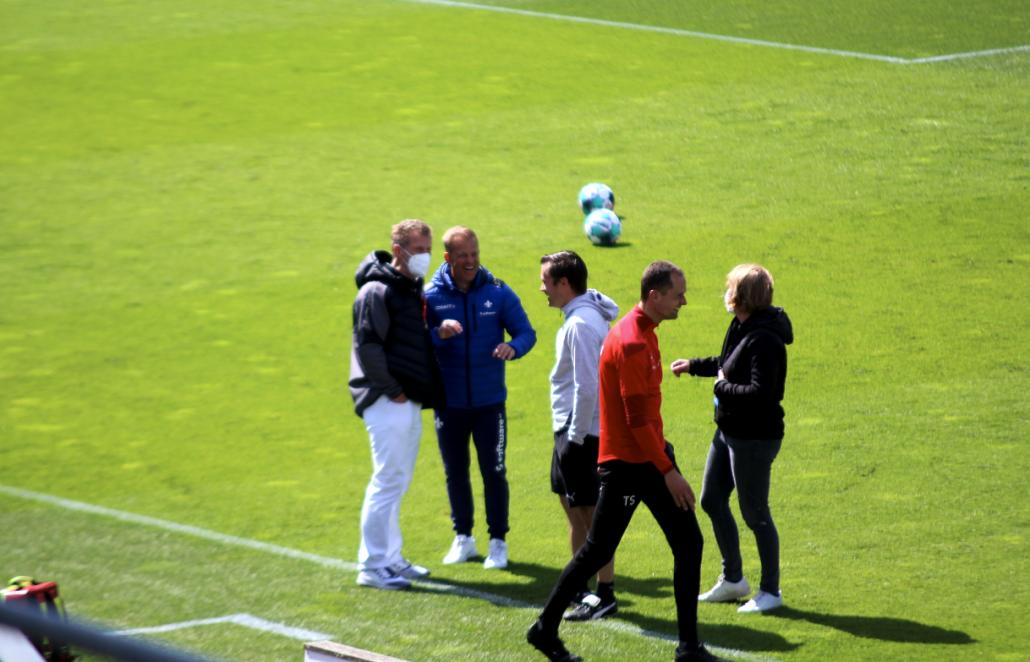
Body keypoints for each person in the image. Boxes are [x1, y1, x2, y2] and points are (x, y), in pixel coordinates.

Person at [527, 261, 724, 662]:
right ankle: (546, 629)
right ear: (655, 295)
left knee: (654, 545)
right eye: (678, 295)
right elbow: (636, 421)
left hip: (641, 457)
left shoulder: (643, 333)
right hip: (635, 463)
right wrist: (668, 471)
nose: (683, 301)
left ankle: (546, 629)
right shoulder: (632, 342)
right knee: (628, 548)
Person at [671, 264, 793, 614]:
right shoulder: (743, 324)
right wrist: (694, 366)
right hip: (729, 432)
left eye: (730, 287)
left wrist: (720, 386)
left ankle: (771, 590)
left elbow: (761, 392)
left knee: (755, 513)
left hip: (754, 439)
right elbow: (728, 364)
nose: (725, 292)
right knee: (711, 499)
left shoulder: (766, 340)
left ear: (740, 297)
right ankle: (734, 580)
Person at [425, 226, 536, 570]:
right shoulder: (431, 296)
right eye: (463, 256)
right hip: (449, 404)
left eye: (474, 254)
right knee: (455, 472)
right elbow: (415, 341)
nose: (471, 261)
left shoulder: (498, 292)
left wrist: (512, 347)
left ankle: (498, 542)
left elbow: (526, 333)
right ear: (448, 258)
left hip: (490, 405)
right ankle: (464, 539)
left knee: (494, 471)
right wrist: (438, 334)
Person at [348, 219, 442, 591]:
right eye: (419, 249)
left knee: (398, 480)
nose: (425, 256)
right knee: (387, 479)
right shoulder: (376, 291)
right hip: (386, 398)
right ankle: (372, 566)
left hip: (406, 398)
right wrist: (392, 389)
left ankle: (391, 558)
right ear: (399, 249)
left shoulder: (408, 287)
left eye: (427, 248)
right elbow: (367, 345)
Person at [539, 251, 620, 621]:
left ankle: (603, 594)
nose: (542, 288)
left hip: (582, 433)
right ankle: (581, 589)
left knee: (591, 518)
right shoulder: (582, 316)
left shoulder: (580, 325)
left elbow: (587, 387)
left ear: (564, 283)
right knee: (575, 513)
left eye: (546, 281)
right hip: (574, 429)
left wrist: (574, 438)